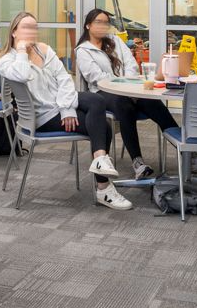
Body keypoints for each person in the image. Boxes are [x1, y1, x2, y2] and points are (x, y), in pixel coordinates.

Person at [0, 12, 132, 211]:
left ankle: (100, 161)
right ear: (14, 32)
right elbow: (23, 73)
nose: (31, 31)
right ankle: (103, 187)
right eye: (25, 27)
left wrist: (67, 109)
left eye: (34, 27)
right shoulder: (6, 61)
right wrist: (21, 50)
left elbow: (64, 79)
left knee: (96, 99)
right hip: (43, 117)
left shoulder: (44, 50)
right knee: (103, 127)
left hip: (61, 104)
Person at [73, 9, 173, 181]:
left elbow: (131, 64)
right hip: (102, 93)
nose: (103, 25)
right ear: (88, 25)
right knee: (123, 103)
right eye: (98, 22)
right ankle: (138, 162)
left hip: (129, 87)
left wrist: (127, 82)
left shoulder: (115, 40)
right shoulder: (83, 50)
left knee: (150, 100)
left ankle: (189, 155)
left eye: (106, 22)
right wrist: (121, 84)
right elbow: (96, 77)